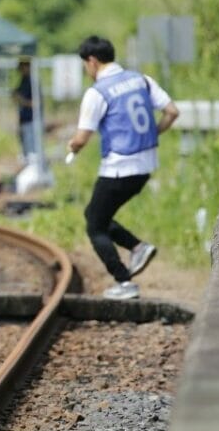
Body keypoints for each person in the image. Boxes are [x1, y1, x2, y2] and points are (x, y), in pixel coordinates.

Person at [66, 36, 179, 300]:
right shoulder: (141, 79)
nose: (86, 70)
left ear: (92, 61)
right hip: (145, 166)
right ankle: (138, 247)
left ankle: (124, 281)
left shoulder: (98, 91)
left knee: (95, 225)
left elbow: (82, 138)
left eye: (85, 65)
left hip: (119, 167)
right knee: (97, 215)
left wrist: (72, 147)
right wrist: (152, 135)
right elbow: (172, 111)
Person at [12, 59, 36, 159]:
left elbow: (35, 103)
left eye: (22, 68)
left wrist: (20, 99)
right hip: (24, 120)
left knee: (32, 152)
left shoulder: (32, 82)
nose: (21, 71)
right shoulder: (24, 80)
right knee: (25, 151)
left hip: (32, 120)